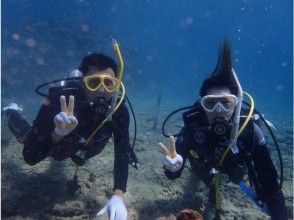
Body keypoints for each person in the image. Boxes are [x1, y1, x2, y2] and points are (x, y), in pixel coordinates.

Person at [3, 42, 136, 220]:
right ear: (82, 82)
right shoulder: (60, 99)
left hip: (87, 148)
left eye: (109, 83)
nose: (102, 90)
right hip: (58, 146)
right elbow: (30, 156)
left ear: (117, 84)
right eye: (94, 82)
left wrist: (118, 196)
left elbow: (121, 152)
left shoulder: (118, 109)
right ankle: (12, 111)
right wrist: (56, 134)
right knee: (26, 137)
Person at [158, 40, 287, 220]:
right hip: (203, 167)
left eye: (226, 103)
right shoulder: (192, 129)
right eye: (210, 103)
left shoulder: (249, 131)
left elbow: (270, 184)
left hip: (235, 169)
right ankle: (211, 183)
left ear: (235, 104)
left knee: (242, 179)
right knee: (204, 178)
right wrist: (171, 169)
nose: (219, 110)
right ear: (202, 106)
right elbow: (173, 173)